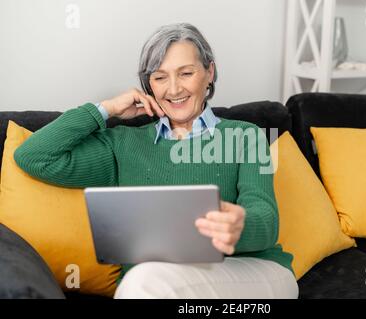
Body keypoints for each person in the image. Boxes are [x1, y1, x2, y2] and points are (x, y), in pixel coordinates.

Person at [14, 23, 298, 299]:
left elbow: (267, 220)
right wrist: (106, 109)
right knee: (146, 280)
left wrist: (241, 226)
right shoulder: (123, 144)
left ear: (209, 72)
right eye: (160, 77)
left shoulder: (245, 136)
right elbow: (34, 156)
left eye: (185, 73)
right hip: (154, 282)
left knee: (144, 281)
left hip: (251, 272)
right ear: (147, 85)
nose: (173, 90)